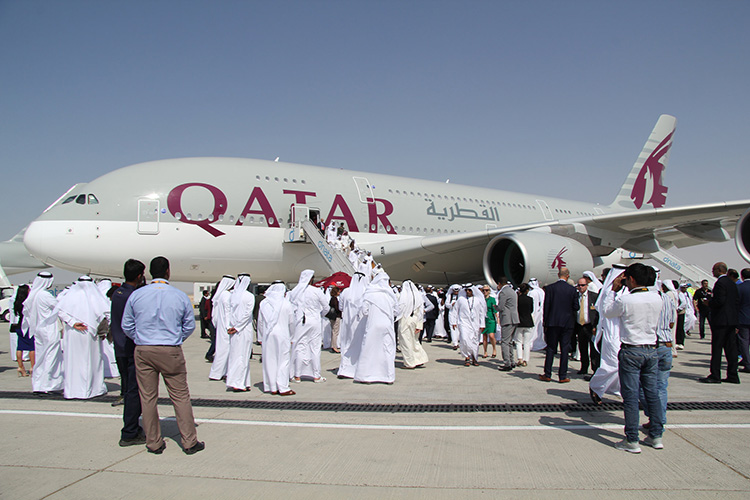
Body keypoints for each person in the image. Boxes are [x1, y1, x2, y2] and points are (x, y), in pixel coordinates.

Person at [122, 256, 203, 455]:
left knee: (148, 397)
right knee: (180, 396)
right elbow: (189, 325)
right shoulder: (179, 295)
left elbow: (127, 325)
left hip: (144, 349)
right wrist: (175, 340)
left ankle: (154, 442)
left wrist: (141, 338)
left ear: (150, 273)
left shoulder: (137, 295)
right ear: (168, 271)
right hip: (170, 349)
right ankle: (189, 441)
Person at [602, 263, 664, 453]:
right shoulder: (657, 298)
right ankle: (656, 435)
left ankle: (632, 439)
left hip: (631, 349)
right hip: (651, 349)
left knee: (630, 396)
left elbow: (607, 311)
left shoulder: (627, 300)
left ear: (632, 280)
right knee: (652, 394)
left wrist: (613, 290)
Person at [109, 259, 146, 445]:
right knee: (134, 392)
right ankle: (130, 431)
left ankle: (131, 427)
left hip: (119, 347)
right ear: (140, 276)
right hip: (131, 347)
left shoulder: (117, 293)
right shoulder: (133, 296)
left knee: (128, 389)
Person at [54, 276, 109, 400]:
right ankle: (92, 389)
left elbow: (61, 311)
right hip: (89, 333)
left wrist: (72, 322)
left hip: (76, 333)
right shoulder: (96, 296)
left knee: (75, 361)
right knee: (91, 361)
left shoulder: (69, 296)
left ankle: (75, 390)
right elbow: (105, 313)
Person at [640, 280, 676, 431]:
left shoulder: (646, 299)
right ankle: (660, 418)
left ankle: (654, 417)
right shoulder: (668, 298)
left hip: (652, 345)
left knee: (643, 387)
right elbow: (672, 323)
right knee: (661, 386)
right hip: (666, 345)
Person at [354, 270, 399, 383]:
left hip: (373, 324)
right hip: (387, 325)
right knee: (387, 349)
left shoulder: (370, 293)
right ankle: (388, 377)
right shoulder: (390, 295)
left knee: (370, 348)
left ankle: (367, 376)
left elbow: (365, 311)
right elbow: (396, 312)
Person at [699, 262, 740, 384]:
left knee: (717, 348)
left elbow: (720, 301)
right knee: (731, 349)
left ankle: (715, 375)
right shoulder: (732, 283)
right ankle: (733, 375)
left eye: (714, 270)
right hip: (731, 320)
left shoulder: (720, 283)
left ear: (720, 270)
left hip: (721, 320)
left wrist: (709, 303)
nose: (713, 272)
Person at [23, 272, 63, 393]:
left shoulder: (33, 295)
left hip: (38, 329)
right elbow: (59, 308)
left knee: (40, 358)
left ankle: (38, 384)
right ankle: (48, 385)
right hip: (49, 329)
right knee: (51, 357)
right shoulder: (45, 295)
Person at [289, 269, 329, 383]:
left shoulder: (295, 291)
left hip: (300, 322)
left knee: (299, 347)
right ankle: (316, 376)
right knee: (315, 348)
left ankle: (297, 375)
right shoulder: (316, 291)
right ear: (311, 279)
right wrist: (319, 315)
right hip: (314, 322)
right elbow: (326, 307)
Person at [540, 268, 579, 383]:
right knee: (564, 349)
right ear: (568, 276)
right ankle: (562, 375)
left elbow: (546, 307)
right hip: (567, 323)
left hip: (553, 322)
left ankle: (547, 373)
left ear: (558, 275)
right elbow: (576, 307)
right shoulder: (572, 290)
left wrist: (545, 323)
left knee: (551, 349)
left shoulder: (550, 288)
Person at [258, 282, 296, 395]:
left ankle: (271, 386)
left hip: (267, 335)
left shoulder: (264, 303)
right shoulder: (286, 304)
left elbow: (260, 322)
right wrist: (292, 336)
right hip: (283, 335)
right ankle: (283, 387)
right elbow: (291, 323)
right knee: (283, 361)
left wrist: (260, 337)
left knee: (269, 360)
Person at [225, 274, 255, 392]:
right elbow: (247, 314)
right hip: (243, 330)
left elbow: (227, 312)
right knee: (242, 356)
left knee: (236, 356)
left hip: (233, 330)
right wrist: (237, 327)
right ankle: (238, 383)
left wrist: (229, 326)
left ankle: (244, 382)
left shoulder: (232, 296)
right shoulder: (249, 296)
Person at [338, 272, 368, 379]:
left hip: (346, 322)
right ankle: (356, 369)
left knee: (346, 344)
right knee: (359, 345)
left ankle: (344, 369)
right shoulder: (366, 292)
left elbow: (340, 307)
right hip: (360, 323)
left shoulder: (345, 292)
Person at [396, 280, 428, 369]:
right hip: (415, 319)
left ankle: (409, 363)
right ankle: (419, 359)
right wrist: (419, 325)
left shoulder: (403, 297)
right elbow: (421, 312)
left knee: (405, 342)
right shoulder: (418, 297)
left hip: (405, 320)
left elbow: (400, 308)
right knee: (414, 341)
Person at [209, 275, 235, 380]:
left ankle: (219, 372)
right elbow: (228, 312)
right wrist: (229, 326)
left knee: (222, 350)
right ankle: (218, 373)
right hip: (225, 327)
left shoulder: (219, 296)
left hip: (220, 326)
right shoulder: (227, 295)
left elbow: (214, 316)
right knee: (225, 350)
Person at [574, 278, 599, 376]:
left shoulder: (593, 296)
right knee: (582, 347)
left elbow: (597, 312)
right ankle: (584, 367)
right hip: (580, 325)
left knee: (593, 349)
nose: (581, 287)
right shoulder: (576, 296)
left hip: (590, 326)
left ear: (587, 286)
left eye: (583, 285)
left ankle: (594, 369)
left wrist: (595, 325)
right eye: (579, 285)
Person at [496, 277, 518, 371]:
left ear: (500, 283)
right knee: (509, 342)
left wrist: (495, 307)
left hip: (507, 318)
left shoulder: (503, 292)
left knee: (504, 342)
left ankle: (507, 363)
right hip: (514, 318)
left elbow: (501, 307)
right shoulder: (512, 291)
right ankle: (512, 361)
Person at [11, 285, 33, 377]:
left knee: (20, 347)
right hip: (27, 326)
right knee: (32, 347)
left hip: (19, 325)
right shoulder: (27, 302)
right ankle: (32, 367)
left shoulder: (16, 302)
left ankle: (20, 367)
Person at [515, 283, 534, 367]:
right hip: (528, 321)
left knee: (518, 341)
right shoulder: (530, 299)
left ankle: (520, 358)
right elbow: (531, 310)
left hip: (519, 322)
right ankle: (526, 360)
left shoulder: (517, 299)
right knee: (527, 342)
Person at [528, 278, 546, 351]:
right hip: (540, 313)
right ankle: (540, 343)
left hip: (534, 313)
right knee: (539, 330)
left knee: (533, 330)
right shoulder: (541, 291)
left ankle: (532, 344)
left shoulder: (532, 292)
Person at [738, 268, 750, 373]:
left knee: (744, 342)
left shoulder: (740, 288)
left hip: (744, 319)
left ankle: (747, 363)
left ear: (742, 276)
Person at [481, 285, 498, 358]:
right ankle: (485, 351)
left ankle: (494, 349)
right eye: (483, 290)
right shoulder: (481, 300)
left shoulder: (492, 299)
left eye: (486, 290)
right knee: (484, 336)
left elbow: (495, 310)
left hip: (491, 319)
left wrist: (497, 318)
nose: (485, 292)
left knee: (491, 335)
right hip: (483, 319)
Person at [328, 286, 343, 353]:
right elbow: (337, 308)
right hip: (336, 316)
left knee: (333, 331)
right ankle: (334, 346)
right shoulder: (335, 300)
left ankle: (333, 345)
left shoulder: (332, 299)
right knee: (335, 332)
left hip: (332, 317)